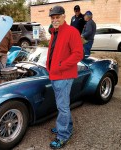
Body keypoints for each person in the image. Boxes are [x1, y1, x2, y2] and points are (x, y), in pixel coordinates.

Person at [46, 6, 83, 149]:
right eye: (52, 18)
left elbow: (78, 54)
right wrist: (49, 65)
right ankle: (66, 126)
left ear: (64, 16)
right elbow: (54, 51)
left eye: (57, 17)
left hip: (64, 76)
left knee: (62, 107)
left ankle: (63, 135)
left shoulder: (71, 31)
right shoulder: (55, 32)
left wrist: (61, 65)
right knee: (62, 105)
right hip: (55, 74)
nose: (55, 20)